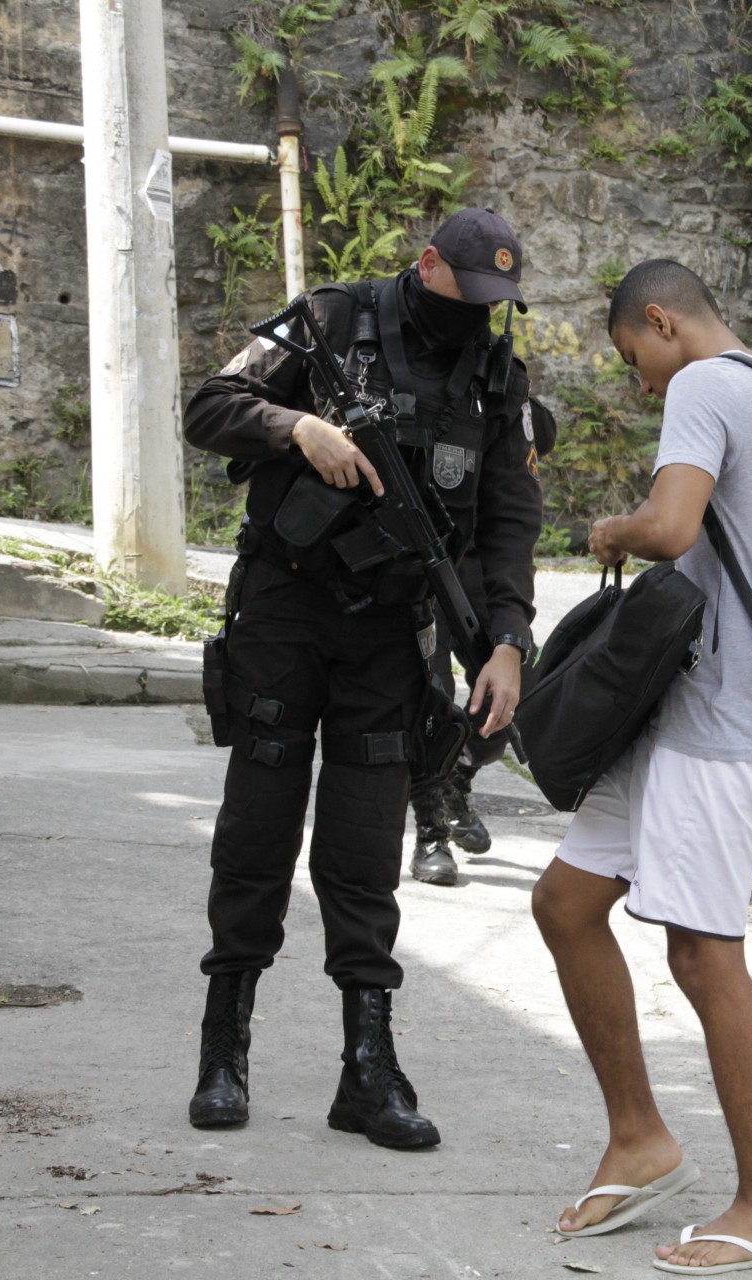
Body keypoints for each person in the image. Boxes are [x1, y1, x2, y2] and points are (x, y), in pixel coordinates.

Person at [180, 208, 542, 1149]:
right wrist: (297, 427)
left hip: (392, 634)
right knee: (257, 824)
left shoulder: (496, 375)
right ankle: (225, 1050)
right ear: (427, 265)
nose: (483, 317)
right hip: (285, 613)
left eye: (499, 303)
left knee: (365, 844)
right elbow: (209, 408)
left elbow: (507, 520)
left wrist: (506, 639)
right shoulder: (331, 323)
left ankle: (368, 1071)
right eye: (471, 295)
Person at [530, 260, 752, 1274]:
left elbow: (675, 525)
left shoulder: (703, 385)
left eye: (632, 357)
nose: (641, 382)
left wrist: (614, 527)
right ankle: (640, 1134)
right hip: (678, 705)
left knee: (703, 951)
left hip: (717, 721)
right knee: (564, 901)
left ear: (660, 321)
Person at [410, 395, 558, 887]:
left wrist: (509, 397)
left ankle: (459, 774)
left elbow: (544, 438)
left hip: (481, 566)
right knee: (426, 701)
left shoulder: (495, 378)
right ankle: (430, 830)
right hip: (415, 564)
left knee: (519, 696)